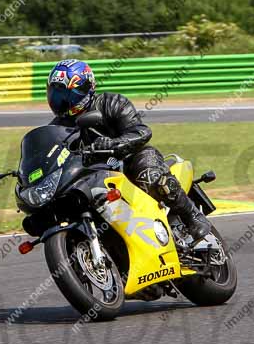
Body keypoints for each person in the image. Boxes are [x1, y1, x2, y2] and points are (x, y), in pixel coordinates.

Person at [47, 59, 212, 243]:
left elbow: (141, 131)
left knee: (150, 174)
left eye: (67, 94)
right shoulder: (57, 128)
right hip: (95, 176)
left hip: (131, 159)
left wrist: (115, 144)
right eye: (55, 93)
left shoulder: (112, 102)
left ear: (86, 88)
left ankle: (192, 216)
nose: (61, 101)